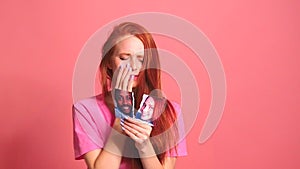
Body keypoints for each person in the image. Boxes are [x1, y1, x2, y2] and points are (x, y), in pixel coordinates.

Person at [72, 22, 187, 169]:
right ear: (108, 62)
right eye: (124, 57)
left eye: (141, 59)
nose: (133, 66)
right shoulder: (85, 110)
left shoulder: (170, 111)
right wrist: (122, 116)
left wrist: (144, 146)